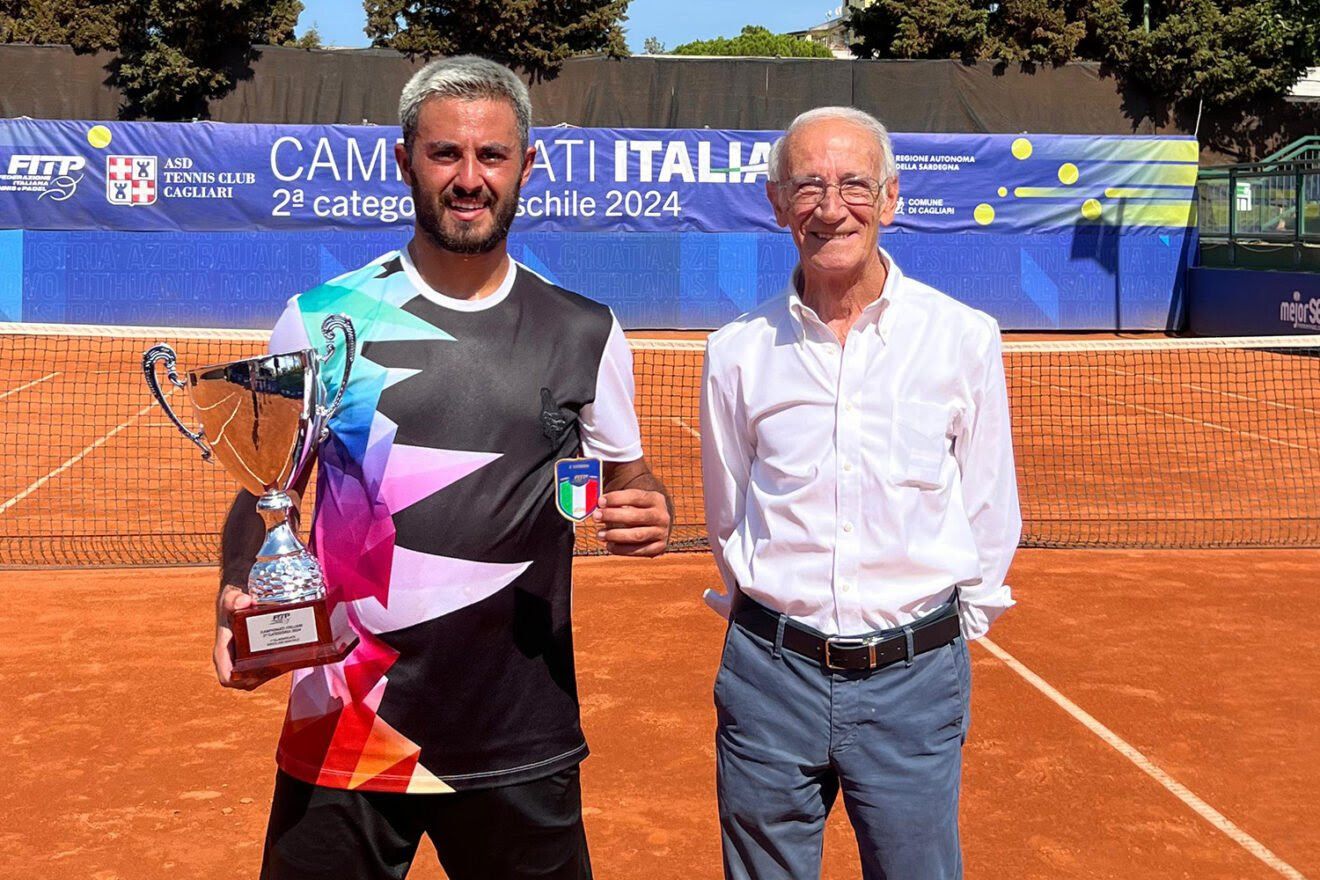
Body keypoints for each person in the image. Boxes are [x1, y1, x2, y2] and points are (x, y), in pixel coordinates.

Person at [213, 55, 672, 880]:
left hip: (520, 734)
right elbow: (266, 492)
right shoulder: (317, 320)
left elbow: (627, 481)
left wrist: (648, 508)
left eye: (492, 156)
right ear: (404, 161)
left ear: (527, 166)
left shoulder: (586, 331)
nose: (469, 178)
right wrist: (238, 588)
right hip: (346, 730)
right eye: (445, 155)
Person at [700, 106, 1021, 880]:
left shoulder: (964, 337)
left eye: (853, 185)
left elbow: (988, 508)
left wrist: (928, 641)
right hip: (768, 679)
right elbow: (728, 514)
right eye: (807, 187)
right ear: (778, 204)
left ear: (891, 197)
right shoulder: (735, 351)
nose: (831, 207)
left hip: (916, 683)